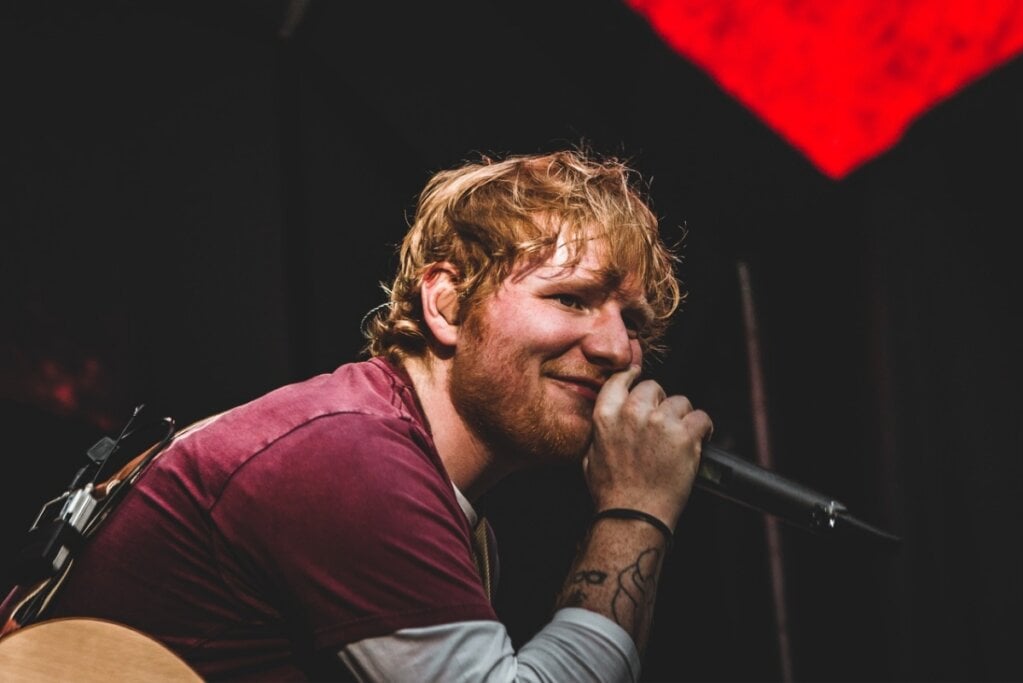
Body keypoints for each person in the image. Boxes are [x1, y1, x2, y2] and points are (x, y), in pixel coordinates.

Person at [45, 149, 714, 681]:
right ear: (447, 305)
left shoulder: (407, 473)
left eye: (632, 322)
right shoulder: (350, 458)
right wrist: (635, 509)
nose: (616, 348)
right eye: (571, 298)